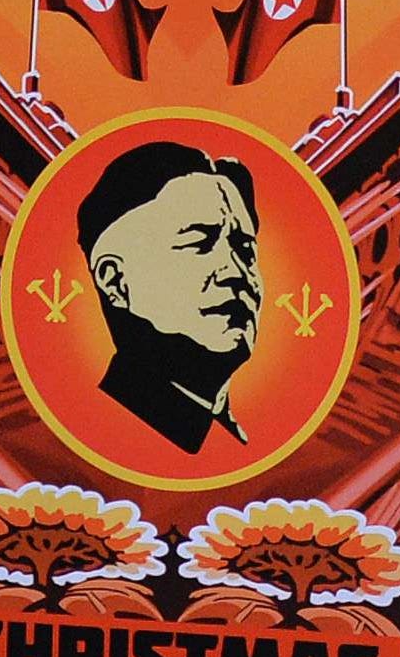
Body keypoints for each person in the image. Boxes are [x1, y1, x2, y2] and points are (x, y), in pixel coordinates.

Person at [77, 141, 266, 457]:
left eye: (245, 251)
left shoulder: (240, 443)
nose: (235, 272)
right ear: (116, 281)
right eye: (198, 244)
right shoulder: (109, 431)